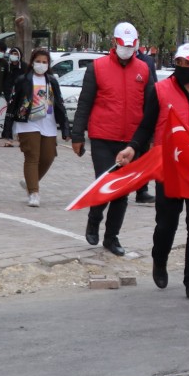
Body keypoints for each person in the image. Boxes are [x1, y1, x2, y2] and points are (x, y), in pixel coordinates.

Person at [118, 43, 189, 303]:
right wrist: (132, 148)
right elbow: (146, 126)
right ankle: (160, 260)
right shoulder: (159, 90)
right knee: (167, 223)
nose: (184, 69)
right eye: (180, 63)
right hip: (170, 167)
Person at [71, 22, 152, 256]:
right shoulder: (97, 68)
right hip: (102, 137)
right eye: (122, 44)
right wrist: (77, 135)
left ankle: (111, 237)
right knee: (105, 183)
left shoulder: (145, 70)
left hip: (132, 141)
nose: (127, 48)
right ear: (113, 44)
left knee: (122, 191)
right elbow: (84, 103)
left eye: (131, 45)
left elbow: (150, 107)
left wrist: (151, 138)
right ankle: (94, 219)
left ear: (136, 44)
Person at [4, 46, 71, 207]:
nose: (41, 64)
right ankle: (33, 192)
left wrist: (66, 128)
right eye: (38, 61)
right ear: (32, 62)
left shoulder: (52, 81)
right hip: (27, 123)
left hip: (48, 123)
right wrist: (8, 129)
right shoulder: (23, 80)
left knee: (48, 156)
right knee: (32, 156)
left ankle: (29, 181)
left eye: (44, 62)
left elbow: (60, 104)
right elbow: (12, 104)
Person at [133, 45, 159, 205]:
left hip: (144, 114)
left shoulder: (147, 61)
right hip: (126, 116)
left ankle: (141, 190)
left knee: (143, 156)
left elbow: (153, 88)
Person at [0, 48, 23, 147]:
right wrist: (7, 95)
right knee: (9, 117)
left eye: (16, 54)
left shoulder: (24, 67)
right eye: (12, 54)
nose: (14, 56)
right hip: (10, 96)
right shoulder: (7, 66)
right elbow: (5, 81)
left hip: (21, 96)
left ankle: (21, 138)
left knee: (21, 117)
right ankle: (8, 139)